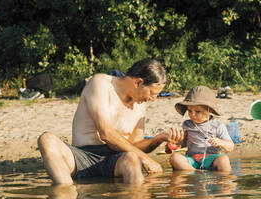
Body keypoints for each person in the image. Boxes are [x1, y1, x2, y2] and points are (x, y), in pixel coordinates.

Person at [38, 59, 183, 185]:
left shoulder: (140, 106)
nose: (153, 99)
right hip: (81, 157)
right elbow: (106, 133)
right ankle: (65, 193)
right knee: (47, 139)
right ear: (138, 82)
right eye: (152, 93)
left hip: (116, 160)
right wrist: (145, 159)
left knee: (132, 158)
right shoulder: (100, 84)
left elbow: (135, 146)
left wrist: (159, 138)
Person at [167, 85, 234, 171]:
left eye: (197, 111)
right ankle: (193, 173)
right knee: (175, 158)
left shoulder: (218, 126)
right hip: (192, 159)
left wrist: (221, 142)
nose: (192, 114)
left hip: (212, 159)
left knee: (224, 160)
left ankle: (225, 181)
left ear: (210, 111)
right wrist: (174, 145)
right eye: (190, 111)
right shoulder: (187, 125)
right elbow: (182, 143)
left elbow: (231, 146)